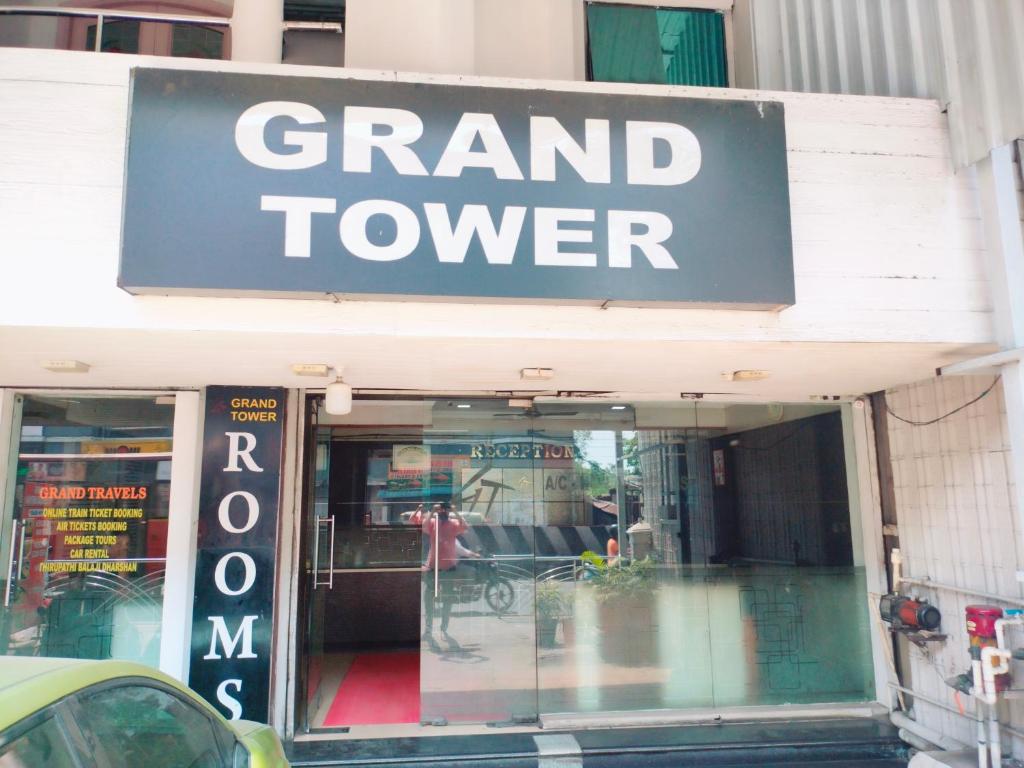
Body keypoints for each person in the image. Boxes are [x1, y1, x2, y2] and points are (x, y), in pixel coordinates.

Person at [421, 501, 468, 638]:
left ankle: (444, 627)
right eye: (441, 510)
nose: (443, 512)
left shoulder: (453, 523)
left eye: (445, 510)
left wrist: (455, 511)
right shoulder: (433, 523)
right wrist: (432, 512)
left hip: (448, 566)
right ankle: (428, 627)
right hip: (432, 566)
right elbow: (423, 527)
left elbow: (465, 526)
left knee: (448, 597)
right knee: (428, 598)